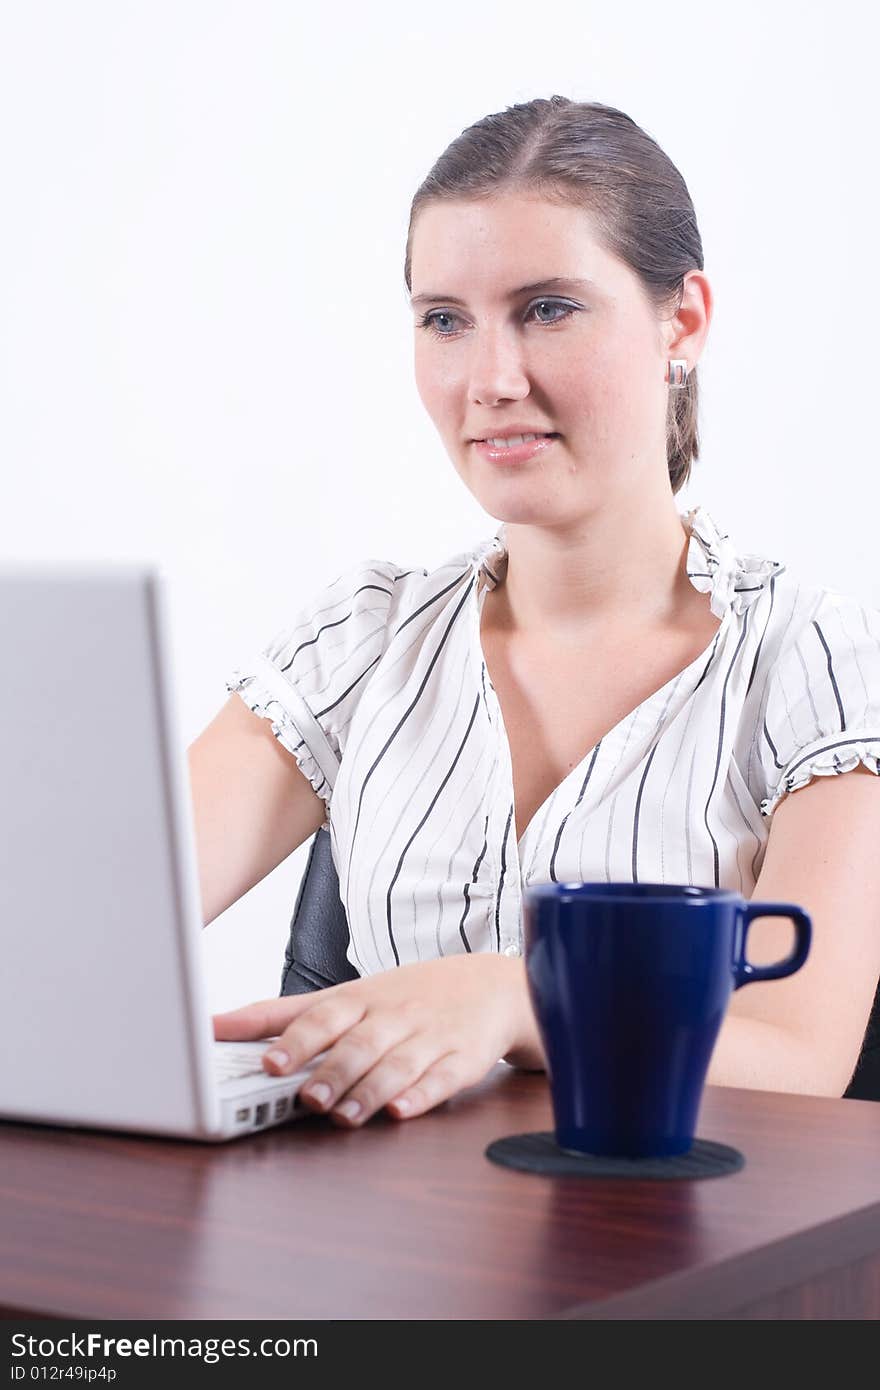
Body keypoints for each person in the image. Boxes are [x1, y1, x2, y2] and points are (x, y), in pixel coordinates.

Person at [188, 95, 880, 1131]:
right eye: (444, 321)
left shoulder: (804, 658)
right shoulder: (365, 640)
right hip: (381, 1254)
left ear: (680, 319)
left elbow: (801, 1058)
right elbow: (90, 927)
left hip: (688, 1262)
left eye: (548, 308)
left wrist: (515, 997)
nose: (490, 379)